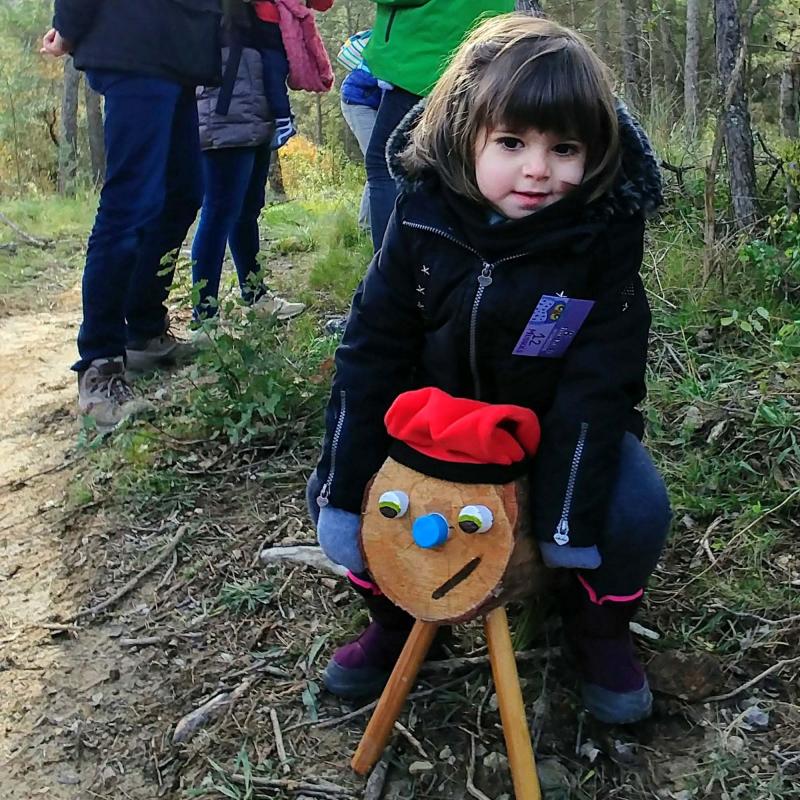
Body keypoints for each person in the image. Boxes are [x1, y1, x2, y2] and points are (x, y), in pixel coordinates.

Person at [307, 15, 671, 725]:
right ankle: (399, 618)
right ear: (465, 134)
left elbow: (602, 376)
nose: (537, 170)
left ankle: (596, 631)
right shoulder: (421, 216)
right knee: (342, 493)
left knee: (636, 508)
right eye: (511, 143)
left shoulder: (598, 238)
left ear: (594, 153)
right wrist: (347, 490)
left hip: (551, 433)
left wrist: (565, 515)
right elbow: (371, 350)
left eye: (563, 148)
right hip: (431, 426)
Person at [43, 0, 222, 432]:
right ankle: (99, 364)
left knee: (183, 192)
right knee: (130, 205)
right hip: (134, 43)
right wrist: (67, 27)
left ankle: (143, 330)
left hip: (180, 51)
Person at [361, 0, 515, 251]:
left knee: (386, 165)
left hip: (425, 60)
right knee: (462, 167)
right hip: (486, 57)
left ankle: (393, 272)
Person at [192, 1, 305, 323]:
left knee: (246, 210)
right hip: (225, 112)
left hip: (256, 110)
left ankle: (256, 296)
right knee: (219, 212)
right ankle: (205, 316)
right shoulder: (211, 13)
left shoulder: (257, 11)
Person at [249, 0, 334, 149]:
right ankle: (282, 118)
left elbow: (323, 3)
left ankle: (283, 119)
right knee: (271, 70)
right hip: (263, 25)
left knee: (272, 70)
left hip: (276, 28)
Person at [337, 30, 381, 230]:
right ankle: (367, 227)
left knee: (385, 162)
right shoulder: (392, 43)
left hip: (372, 103)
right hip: (358, 102)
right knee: (378, 162)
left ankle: (373, 224)